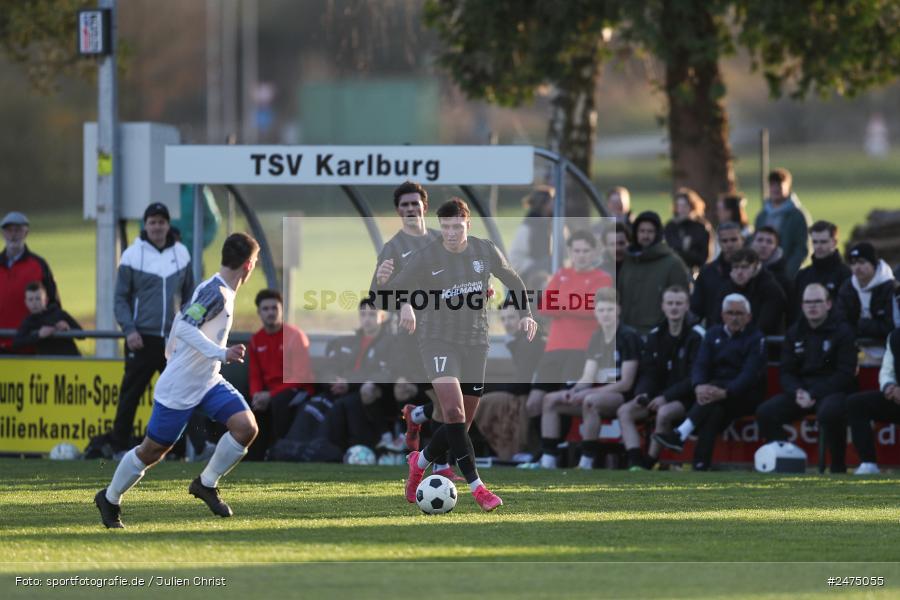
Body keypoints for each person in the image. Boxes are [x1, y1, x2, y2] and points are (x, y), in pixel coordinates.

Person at [94, 233, 260, 528]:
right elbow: (184, 326)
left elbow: (179, 322)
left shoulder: (216, 289)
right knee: (152, 452)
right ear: (248, 265)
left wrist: (173, 354)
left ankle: (206, 484)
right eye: (255, 262)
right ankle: (109, 498)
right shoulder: (217, 293)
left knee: (246, 427)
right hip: (180, 387)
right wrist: (220, 353)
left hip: (207, 381)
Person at [383, 197, 537, 511]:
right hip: (438, 341)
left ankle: (420, 461)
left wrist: (526, 314)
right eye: (446, 227)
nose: (451, 232)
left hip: (476, 343)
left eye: (457, 226)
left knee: (459, 426)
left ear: (468, 224)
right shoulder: (428, 256)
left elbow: (515, 281)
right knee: (453, 414)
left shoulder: (485, 251)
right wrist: (406, 305)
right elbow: (395, 288)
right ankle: (478, 488)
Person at [104, 203, 194, 456]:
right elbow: (120, 299)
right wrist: (129, 330)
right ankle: (119, 446)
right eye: (152, 222)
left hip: (173, 341)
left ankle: (179, 450)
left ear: (168, 224)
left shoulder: (181, 253)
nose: (157, 227)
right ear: (145, 225)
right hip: (141, 339)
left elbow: (190, 296)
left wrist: (187, 329)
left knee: (178, 396)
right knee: (130, 395)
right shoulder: (132, 255)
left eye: (161, 222)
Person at [523, 288, 640, 469]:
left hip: (620, 397)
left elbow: (626, 383)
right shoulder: (596, 337)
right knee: (550, 400)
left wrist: (587, 392)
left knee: (590, 401)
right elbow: (588, 375)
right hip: (594, 392)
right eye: (601, 310)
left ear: (618, 310)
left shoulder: (628, 336)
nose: (605, 315)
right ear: (595, 312)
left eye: (610, 310)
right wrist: (574, 391)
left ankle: (586, 461)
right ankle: (548, 460)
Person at [654, 294, 766, 471]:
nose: (735, 317)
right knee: (714, 410)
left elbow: (749, 375)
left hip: (743, 395)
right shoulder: (713, 333)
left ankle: (681, 433)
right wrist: (698, 385)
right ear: (723, 315)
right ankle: (700, 465)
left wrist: (726, 391)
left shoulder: (756, 338)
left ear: (748, 317)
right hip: (715, 396)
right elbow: (701, 364)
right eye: (730, 313)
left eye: (739, 313)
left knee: (715, 394)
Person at [755, 283, 857, 473]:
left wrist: (814, 393)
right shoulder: (795, 332)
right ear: (802, 305)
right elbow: (786, 371)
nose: (812, 306)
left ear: (828, 304)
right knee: (766, 412)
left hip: (833, 390)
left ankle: (837, 468)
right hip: (802, 390)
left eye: (817, 301)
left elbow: (845, 373)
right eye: (807, 302)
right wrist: (798, 392)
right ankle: (785, 462)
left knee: (830, 412)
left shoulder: (843, 331)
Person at [524, 230, 613, 422]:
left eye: (585, 251)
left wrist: (562, 303)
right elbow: (544, 305)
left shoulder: (603, 279)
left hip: (581, 349)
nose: (581, 255)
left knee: (564, 400)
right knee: (534, 402)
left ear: (594, 253)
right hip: (554, 348)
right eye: (577, 251)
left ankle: (558, 449)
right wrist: (577, 303)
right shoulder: (561, 274)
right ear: (570, 252)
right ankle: (540, 450)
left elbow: (594, 309)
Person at [617, 285, 704, 470]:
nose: (674, 307)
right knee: (625, 411)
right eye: (670, 303)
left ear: (687, 306)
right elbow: (649, 372)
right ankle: (635, 461)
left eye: (678, 303)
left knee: (664, 412)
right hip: (656, 396)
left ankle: (649, 463)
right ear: (662, 306)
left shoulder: (697, 336)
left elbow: (694, 378)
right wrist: (643, 394)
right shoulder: (655, 336)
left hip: (686, 398)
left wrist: (666, 397)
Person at [247, 288, 315, 460]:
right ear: (259, 312)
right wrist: (256, 396)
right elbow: (254, 375)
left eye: (274, 308)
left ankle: (280, 451)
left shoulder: (295, 336)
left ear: (281, 310)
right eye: (266, 309)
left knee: (279, 402)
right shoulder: (256, 340)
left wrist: (270, 395)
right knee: (246, 405)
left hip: (299, 390)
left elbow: (300, 377)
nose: (270, 313)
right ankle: (254, 456)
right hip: (269, 392)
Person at [474, 305, 547, 461]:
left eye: (512, 318)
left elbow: (522, 384)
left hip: (533, 395)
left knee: (483, 402)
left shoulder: (529, 342)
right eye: (503, 319)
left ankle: (515, 450)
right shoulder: (521, 342)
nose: (507, 323)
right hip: (527, 393)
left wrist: (485, 389)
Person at [617, 211, 691, 334]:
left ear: (658, 234)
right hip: (627, 332)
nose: (645, 236)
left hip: (656, 334)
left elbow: (681, 300)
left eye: (650, 231)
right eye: (642, 231)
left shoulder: (673, 263)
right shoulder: (628, 260)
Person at [0, 211, 61, 352]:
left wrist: (54, 323)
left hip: (31, 345)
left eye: (18, 230)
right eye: (9, 230)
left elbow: (53, 302)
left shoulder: (39, 265)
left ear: (26, 233)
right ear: (3, 233)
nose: (13, 235)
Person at [846, 325, 900, 475]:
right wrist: (891, 388)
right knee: (856, 403)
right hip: (897, 398)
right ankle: (868, 464)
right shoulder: (895, 336)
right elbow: (887, 371)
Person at [753, 168, 812, 277]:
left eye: (779, 185)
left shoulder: (797, 215)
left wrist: (787, 272)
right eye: (772, 185)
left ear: (788, 187)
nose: (775, 189)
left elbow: (801, 249)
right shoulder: (762, 216)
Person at [836, 242, 897, 344]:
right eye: (853, 263)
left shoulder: (890, 288)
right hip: (856, 346)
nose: (857, 267)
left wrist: (862, 325)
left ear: (874, 264)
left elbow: (891, 326)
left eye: (862, 262)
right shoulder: (847, 288)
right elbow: (840, 320)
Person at [715, 248, 787, 335]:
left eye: (744, 267)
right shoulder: (726, 288)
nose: (739, 272)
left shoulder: (771, 289)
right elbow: (717, 319)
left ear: (756, 268)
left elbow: (766, 325)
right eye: (736, 267)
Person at [793, 221, 851, 321]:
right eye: (815, 242)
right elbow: (795, 310)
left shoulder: (846, 274)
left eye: (823, 242)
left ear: (834, 242)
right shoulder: (802, 275)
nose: (818, 246)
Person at [691, 222, 744, 326]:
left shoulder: (753, 270)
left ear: (742, 240)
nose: (729, 244)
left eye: (734, 239)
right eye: (724, 241)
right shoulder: (707, 272)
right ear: (719, 243)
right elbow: (696, 309)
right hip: (715, 334)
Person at [13, 281, 82, 356]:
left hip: (71, 361)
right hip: (48, 364)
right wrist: (39, 335)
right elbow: (17, 342)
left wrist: (68, 329)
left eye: (38, 299)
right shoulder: (29, 321)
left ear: (46, 300)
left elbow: (82, 335)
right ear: (26, 303)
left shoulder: (59, 314)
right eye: (30, 300)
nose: (34, 303)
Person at [507, 186, 554, 282]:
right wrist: (539, 265)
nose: (555, 204)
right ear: (543, 204)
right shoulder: (527, 228)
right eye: (552, 201)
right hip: (531, 280)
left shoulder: (555, 225)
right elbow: (515, 260)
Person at [663, 187, 713, 272]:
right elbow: (669, 251)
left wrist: (685, 251)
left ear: (692, 206)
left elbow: (704, 257)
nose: (682, 209)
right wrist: (684, 248)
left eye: (685, 205)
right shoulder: (671, 226)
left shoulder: (701, 227)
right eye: (679, 206)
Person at [751, 226, 793, 308]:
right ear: (752, 243)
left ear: (776, 247)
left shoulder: (784, 281)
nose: (763, 245)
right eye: (760, 240)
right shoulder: (741, 272)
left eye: (769, 242)